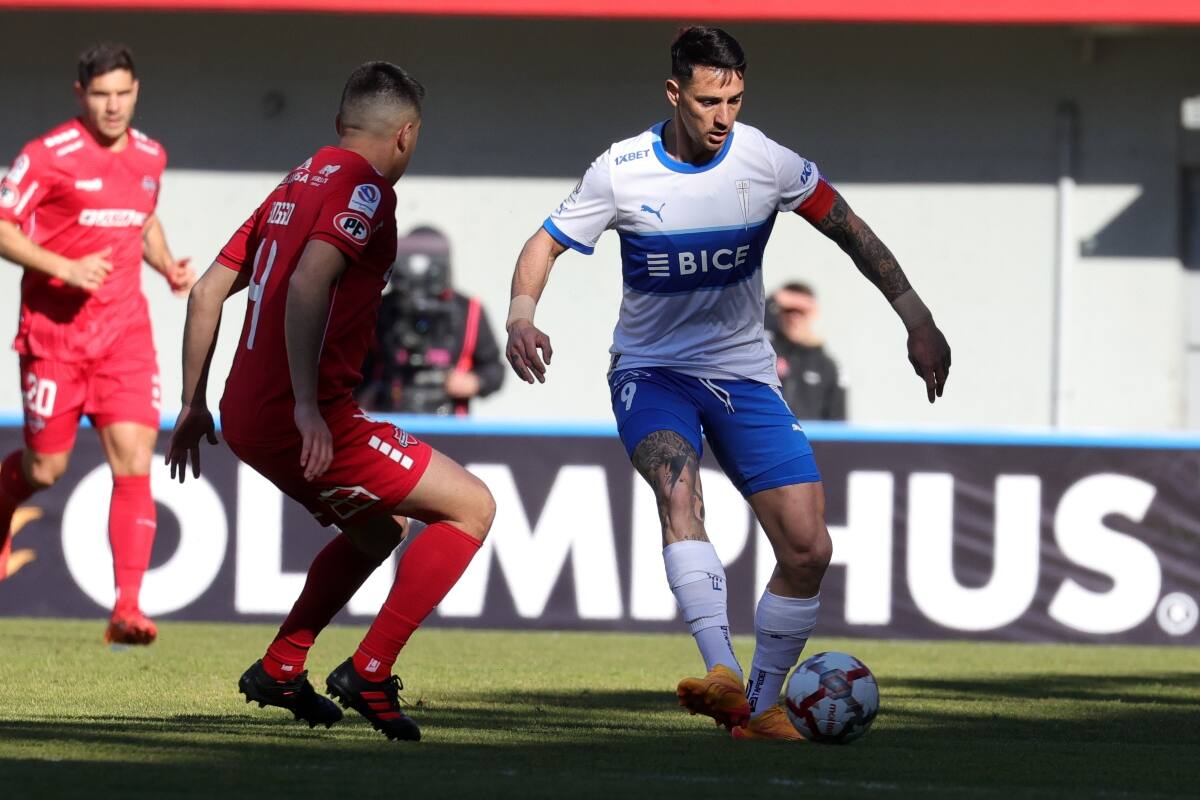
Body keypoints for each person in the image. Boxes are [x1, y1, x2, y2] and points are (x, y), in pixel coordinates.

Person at [504, 27, 950, 740]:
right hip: (651, 373)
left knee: (809, 550)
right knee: (679, 494)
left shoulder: (764, 160)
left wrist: (917, 319)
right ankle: (719, 669)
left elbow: (850, 228)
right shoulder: (620, 170)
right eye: (710, 100)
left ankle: (756, 707)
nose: (723, 118)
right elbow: (544, 243)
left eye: (736, 100)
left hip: (744, 375)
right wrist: (522, 316)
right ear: (674, 93)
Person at [166, 62, 494, 742]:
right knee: (471, 508)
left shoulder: (294, 183)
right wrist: (310, 407)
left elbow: (204, 293)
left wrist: (192, 403)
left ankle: (281, 666)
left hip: (243, 413)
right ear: (404, 136)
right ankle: (369, 671)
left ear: (339, 125)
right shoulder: (367, 190)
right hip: (304, 415)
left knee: (378, 529)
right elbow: (313, 281)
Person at [0, 43, 194, 645]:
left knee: (134, 463)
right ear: (81, 94)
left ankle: (127, 608)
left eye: (124, 93)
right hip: (55, 338)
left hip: (124, 339)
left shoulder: (150, 155)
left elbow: (143, 218)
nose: (114, 106)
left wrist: (164, 264)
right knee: (46, 468)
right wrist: (63, 264)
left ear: (136, 92)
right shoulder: (45, 156)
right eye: (102, 94)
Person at [358, 225, 505, 415]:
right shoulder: (380, 310)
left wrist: (473, 382)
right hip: (390, 419)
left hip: (449, 424)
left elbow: (494, 369)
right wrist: (366, 394)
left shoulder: (469, 311)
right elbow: (353, 368)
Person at [767, 282, 846, 421]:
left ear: (813, 312)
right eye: (788, 310)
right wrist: (772, 299)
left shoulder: (827, 366)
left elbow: (838, 425)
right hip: (771, 438)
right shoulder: (764, 352)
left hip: (811, 442)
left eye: (801, 311)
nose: (794, 318)